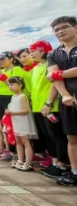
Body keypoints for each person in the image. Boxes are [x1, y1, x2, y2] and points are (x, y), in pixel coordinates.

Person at [30, 41, 70, 178]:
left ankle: (63, 165)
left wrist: (48, 103)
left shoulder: (50, 65)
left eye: (33, 51)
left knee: (57, 136)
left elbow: (54, 84)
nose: (31, 54)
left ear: (42, 50)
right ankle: (54, 163)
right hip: (37, 107)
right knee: (48, 136)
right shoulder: (36, 68)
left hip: (50, 107)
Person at [47, 16, 77, 186]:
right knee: (72, 138)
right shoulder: (54, 53)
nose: (60, 32)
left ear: (75, 28)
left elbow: (55, 74)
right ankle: (74, 172)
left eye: (64, 27)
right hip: (67, 100)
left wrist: (60, 74)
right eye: (56, 30)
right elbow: (53, 77)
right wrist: (65, 95)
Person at [0, 52, 25, 161]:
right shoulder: (0, 71)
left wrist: (2, 76)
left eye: (3, 59)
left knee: (14, 125)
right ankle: (9, 150)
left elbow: (14, 86)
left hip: (11, 98)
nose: (1, 62)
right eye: (0, 60)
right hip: (0, 97)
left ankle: (17, 151)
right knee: (5, 125)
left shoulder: (17, 70)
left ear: (11, 59)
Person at [6, 77, 39, 171]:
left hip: (23, 121)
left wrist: (12, 113)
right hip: (16, 120)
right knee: (18, 141)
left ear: (20, 85)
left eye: (12, 84)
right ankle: (20, 160)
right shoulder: (13, 97)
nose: (10, 86)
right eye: (9, 85)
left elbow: (26, 110)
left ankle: (28, 162)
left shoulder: (22, 96)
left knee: (25, 141)